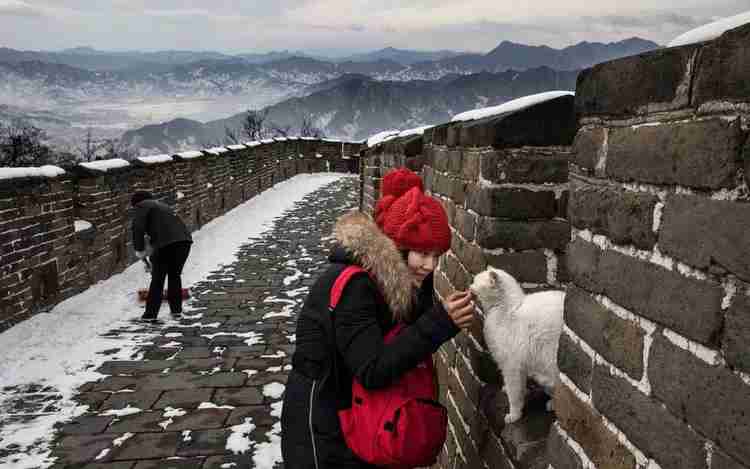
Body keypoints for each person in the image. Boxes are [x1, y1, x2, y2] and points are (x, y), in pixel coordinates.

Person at [281, 168, 476, 469]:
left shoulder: (402, 280)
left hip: (361, 416)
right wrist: (442, 322)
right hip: (323, 421)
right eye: (422, 253)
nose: (430, 265)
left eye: (437, 255)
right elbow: (373, 369)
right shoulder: (355, 286)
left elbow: (407, 337)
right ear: (396, 246)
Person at [131, 191, 193, 322]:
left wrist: (139, 250)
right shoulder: (163, 206)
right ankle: (176, 311)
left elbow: (137, 228)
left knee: (158, 280)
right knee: (174, 276)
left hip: (165, 244)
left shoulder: (141, 206)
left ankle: (150, 315)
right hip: (184, 242)